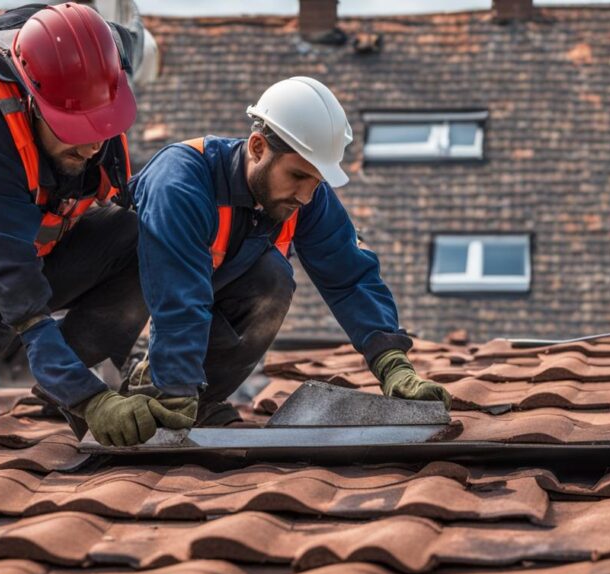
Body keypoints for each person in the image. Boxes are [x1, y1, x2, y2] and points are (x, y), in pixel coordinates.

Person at [123, 76, 453, 444]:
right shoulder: (182, 182)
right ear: (258, 146)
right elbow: (177, 294)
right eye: (297, 175)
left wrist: (392, 363)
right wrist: (175, 385)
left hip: (175, 331)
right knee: (194, 294)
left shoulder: (304, 197)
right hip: (115, 330)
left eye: (316, 181)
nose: (307, 196)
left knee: (272, 279)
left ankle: (195, 401)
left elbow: (350, 277)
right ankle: (146, 391)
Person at [0, 3, 159, 443]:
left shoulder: (96, 90)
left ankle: (58, 386)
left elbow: (131, 216)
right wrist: (87, 400)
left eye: (101, 127)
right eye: (74, 130)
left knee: (146, 237)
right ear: (34, 102)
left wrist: (157, 363)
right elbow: (12, 275)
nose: (93, 145)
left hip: (43, 251)